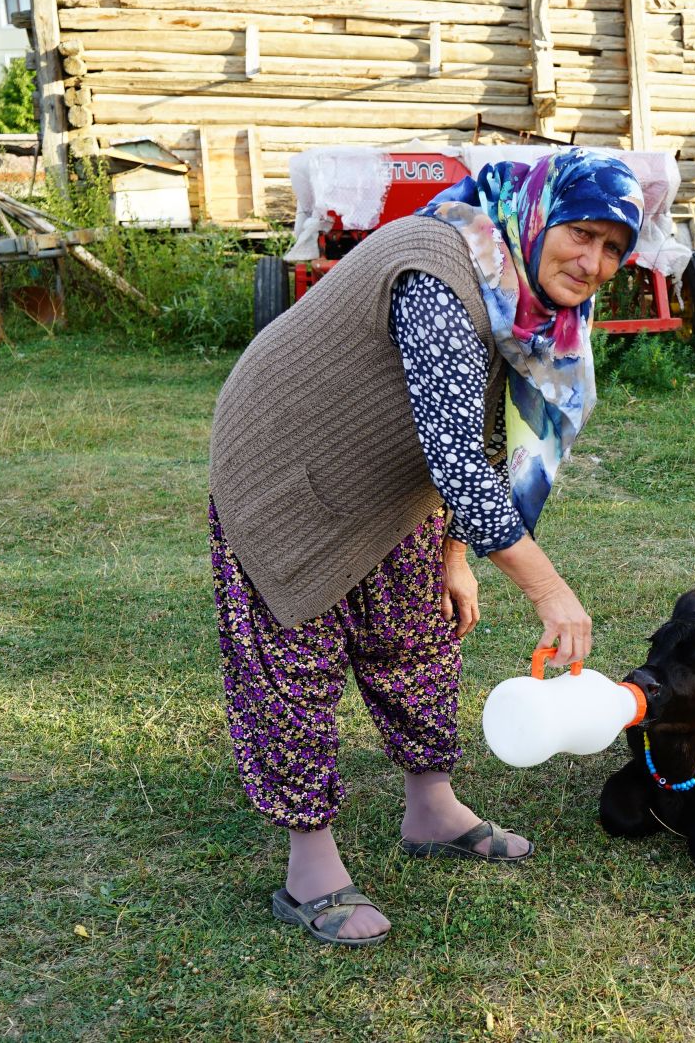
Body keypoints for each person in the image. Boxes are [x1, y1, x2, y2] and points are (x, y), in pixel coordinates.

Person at [207, 149, 645, 947]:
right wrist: (547, 588)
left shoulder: (531, 301)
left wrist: (454, 550)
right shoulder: (444, 266)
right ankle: (310, 866)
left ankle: (432, 809)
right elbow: (452, 448)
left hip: (389, 469)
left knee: (419, 633)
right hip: (283, 465)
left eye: (615, 248)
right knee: (294, 656)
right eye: (582, 234)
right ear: (539, 215)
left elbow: (479, 431)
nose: (595, 262)